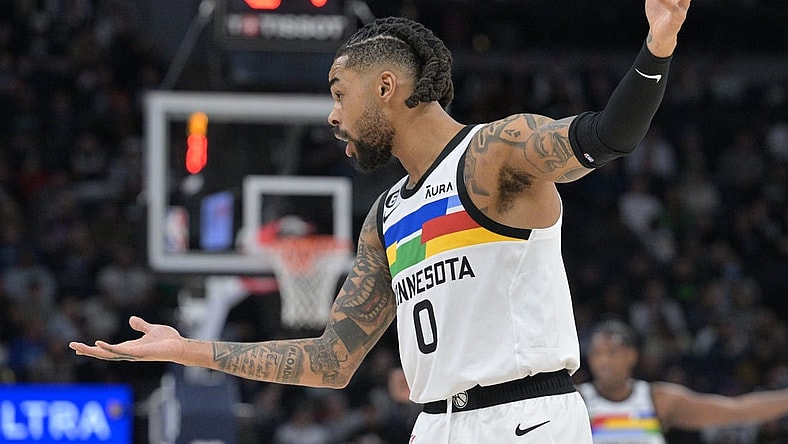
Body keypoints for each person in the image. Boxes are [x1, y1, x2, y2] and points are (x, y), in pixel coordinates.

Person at [70, 0, 691, 441]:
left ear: (387, 87)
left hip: (525, 419)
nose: (332, 115)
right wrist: (187, 350)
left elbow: (608, 136)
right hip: (435, 425)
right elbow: (330, 360)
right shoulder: (387, 214)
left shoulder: (492, 154)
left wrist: (657, 45)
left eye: (340, 93)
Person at [577, 319, 788, 443]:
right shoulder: (578, 401)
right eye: (597, 354)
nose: (603, 361)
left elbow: (737, 410)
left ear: (631, 355)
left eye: (612, 353)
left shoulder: (657, 400)